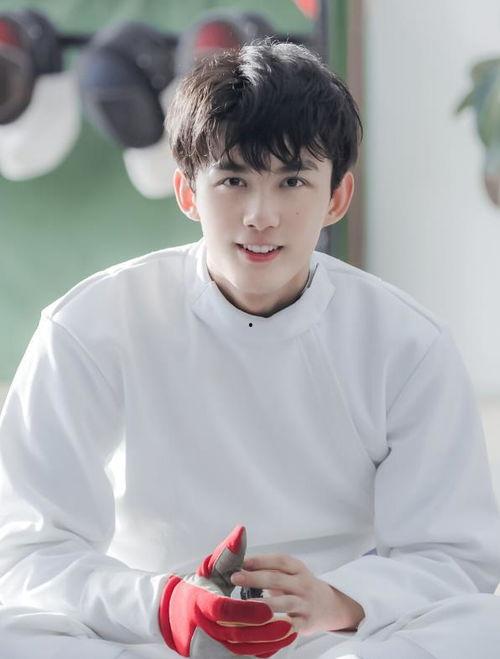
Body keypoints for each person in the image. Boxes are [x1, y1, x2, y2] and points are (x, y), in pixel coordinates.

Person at [0, 37, 500, 659]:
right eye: (234, 179)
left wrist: (338, 600)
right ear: (188, 192)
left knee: (486, 627)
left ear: (336, 198)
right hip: (154, 636)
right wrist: (164, 605)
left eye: (293, 181)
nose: (261, 215)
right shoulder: (90, 325)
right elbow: (25, 552)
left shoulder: (407, 343)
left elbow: (456, 558)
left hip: (331, 642)